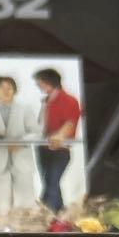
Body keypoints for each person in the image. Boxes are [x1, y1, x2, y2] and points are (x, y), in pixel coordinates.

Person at [0, 76, 40, 214]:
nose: (6, 91)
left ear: (14, 90)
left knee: (26, 203)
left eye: (9, 88)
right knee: (2, 206)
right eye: (2, 88)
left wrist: (20, 142)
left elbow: (36, 133)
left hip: (22, 160)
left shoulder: (25, 109)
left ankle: (25, 226)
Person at [34, 67, 82, 214]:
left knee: (51, 184)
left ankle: (46, 212)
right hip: (43, 148)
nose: (38, 85)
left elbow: (70, 122)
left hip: (60, 149)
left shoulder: (69, 100)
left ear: (48, 81)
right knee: (50, 183)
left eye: (39, 82)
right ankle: (60, 212)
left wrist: (60, 136)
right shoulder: (46, 101)